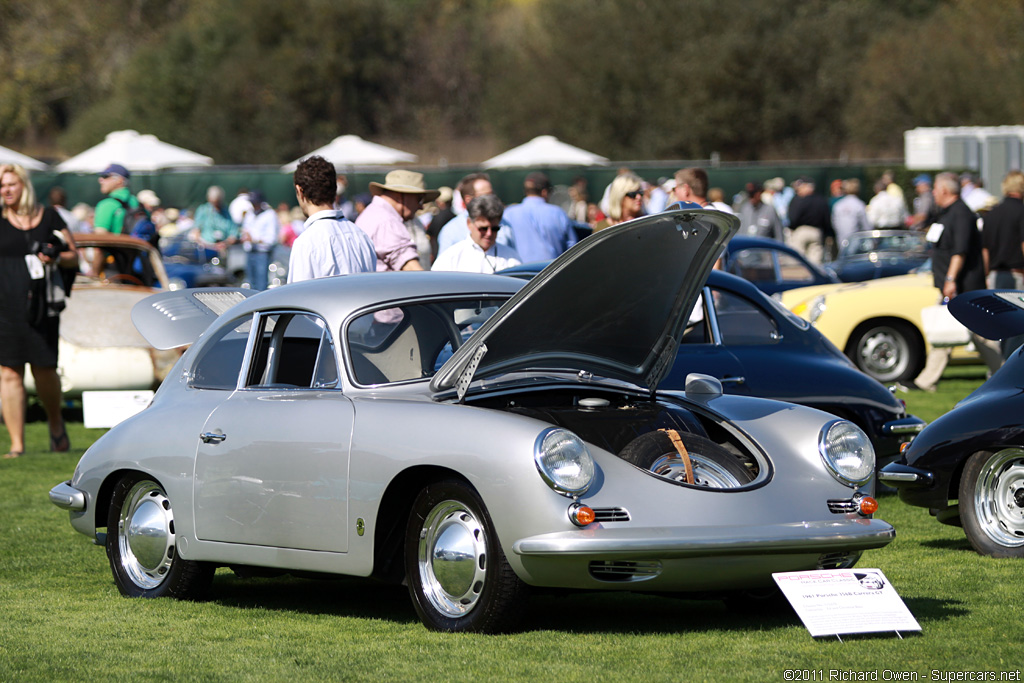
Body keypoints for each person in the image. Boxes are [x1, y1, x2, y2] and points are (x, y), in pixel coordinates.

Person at [0, 164, 79, 458]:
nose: (5, 191)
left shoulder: (49, 217)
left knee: (44, 369)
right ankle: (16, 445)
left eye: (10, 184)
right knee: (9, 372)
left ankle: (56, 425)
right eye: (1, 186)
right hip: (4, 306)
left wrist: (56, 254)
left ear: (24, 185)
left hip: (41, 306)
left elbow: (74, 257)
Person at [912, 172, 1001, 390]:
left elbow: (959, 252)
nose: (932, 192)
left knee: (981, 335)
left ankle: (1004, 374)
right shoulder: (946, 213)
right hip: (952, 285)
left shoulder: (961, 214)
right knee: (944, 331)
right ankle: (926, 381)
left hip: (964, 285)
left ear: (944, 190)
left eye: (935, 188)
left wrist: (951, 279)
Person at [287, 156, 376, 283]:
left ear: (300, 191)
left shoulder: (306, 242)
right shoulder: (361, 235)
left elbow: (295, 298)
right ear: (334, 189)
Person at [357, 170, 439, 272]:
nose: (421, 206)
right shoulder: (387, 221)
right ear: (399, 196)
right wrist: (431, 286)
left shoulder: (373, 213)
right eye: (419, 199)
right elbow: (413, 270)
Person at [431, 195, 522, 273]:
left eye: (495, 229)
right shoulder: (451, 258)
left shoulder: (511, 258)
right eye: (483, 228)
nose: (489, 234)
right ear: (469, 224)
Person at [502, 171, 577, 262]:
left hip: (517, 272)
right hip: (553, 272)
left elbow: (502, 244)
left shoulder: (508, 214)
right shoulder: (558, 213)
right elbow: (572, 248)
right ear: (544, 192)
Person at [436, 173, 514, 256]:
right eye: (487, 195)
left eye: (495, 229)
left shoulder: (504, 223)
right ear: (468, 199)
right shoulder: (451, 231)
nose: (489, 233)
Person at [787, 177, 831, 264]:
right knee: (815, 263)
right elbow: (826, 220)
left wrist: (792, 228)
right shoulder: (821, 200)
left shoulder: (798, 200)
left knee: (797, 262)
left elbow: (792, 218)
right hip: (817, 232)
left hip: (800, 232)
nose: (798, 190)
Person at [241, 191, 279, 290]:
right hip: (250, 251)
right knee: (251, 283)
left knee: (261, 284)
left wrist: (254, 239)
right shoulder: (250, 214)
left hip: (262, 253)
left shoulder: (270, 215)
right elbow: (246, 229)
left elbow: (271, 239)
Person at [93, 163, 140, 234]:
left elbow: (100, 237)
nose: (100, 180)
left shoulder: (107, 204)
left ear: (119, 180)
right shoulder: (138, 202)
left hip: (118, 245)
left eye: (105, 176)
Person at [831, 178, 871, 251]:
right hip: (856, 241)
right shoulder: (859, 204)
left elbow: (834, 223)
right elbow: (866, 225)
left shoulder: (838, 205)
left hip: (841, 240)